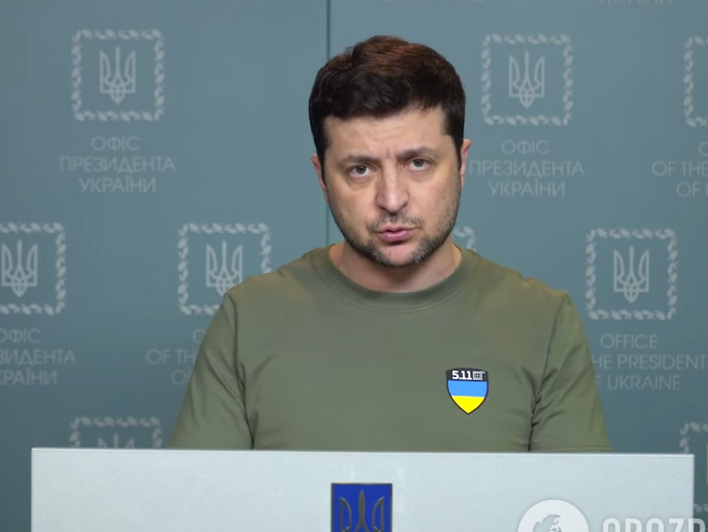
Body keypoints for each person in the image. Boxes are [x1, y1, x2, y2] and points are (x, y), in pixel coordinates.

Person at [168, 35, 610, 453]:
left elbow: (571, 506)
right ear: (322, 178)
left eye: (418, 163)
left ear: (461, 163)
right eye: (360, 170)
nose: (392, 199)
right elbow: (202, 503)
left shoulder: (544, 323)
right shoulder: (248, 319)